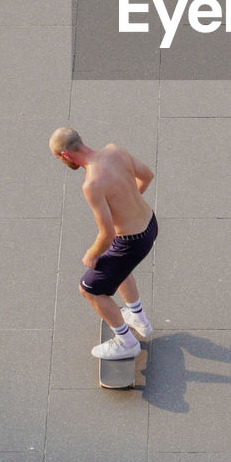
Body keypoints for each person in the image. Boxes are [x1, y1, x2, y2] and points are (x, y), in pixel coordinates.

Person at [50, 127, 157, 361]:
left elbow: (107, 233)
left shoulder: (92, 184)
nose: (61, 161)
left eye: (58, 158)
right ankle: (138, 318)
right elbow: (147, 175)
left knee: (89, 289)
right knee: (116, 264)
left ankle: (126, 342)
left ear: (66, 155)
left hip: (131, 241)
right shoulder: (114, 150)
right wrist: (129, 203)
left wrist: (91, 253)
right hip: (150, 224)